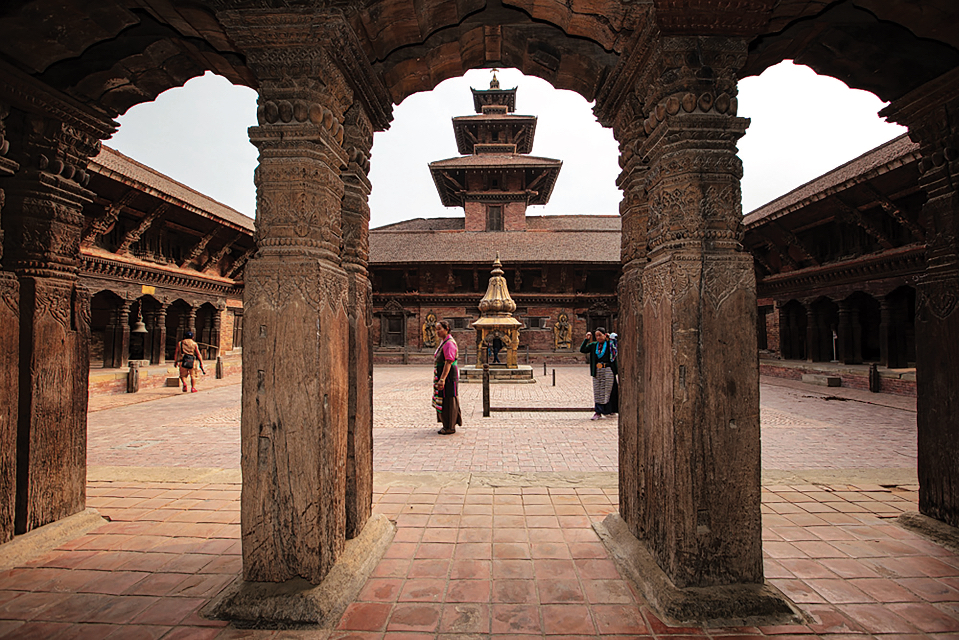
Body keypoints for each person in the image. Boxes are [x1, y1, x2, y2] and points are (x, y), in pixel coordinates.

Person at [432, 320, 463, 435]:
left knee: (449, 398)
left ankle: (450, 426)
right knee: (444, 398)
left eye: (440, 329)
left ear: (447, 329)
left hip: (448, 374)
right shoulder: (444, 342)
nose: (437, 331)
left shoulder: (449, 343)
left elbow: (448, 362)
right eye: (437, 329)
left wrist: (442, 379)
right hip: (444, 373)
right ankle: (446, 423)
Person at [580, 327, 618, 420]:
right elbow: (583, 349)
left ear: (605, 335)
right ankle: (598, 411)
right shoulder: (594, 345)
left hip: (608, 369)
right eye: (596, 336)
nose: (598, 338)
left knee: (607, 390)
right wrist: (586, 339)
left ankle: (609, 409)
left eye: (600, 335)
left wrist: (611, 339)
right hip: (597, 370)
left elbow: (616, 347)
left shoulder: (610, 345)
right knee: (598, 391)